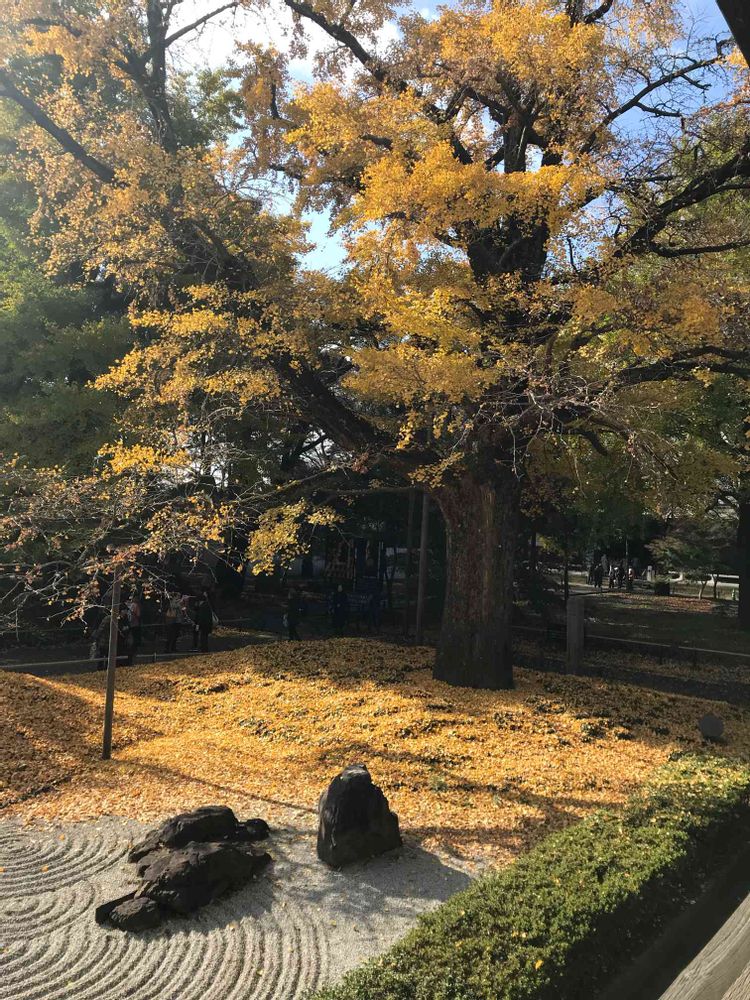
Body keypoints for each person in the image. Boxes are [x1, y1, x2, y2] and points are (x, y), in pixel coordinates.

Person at [126, 594, 142, 665]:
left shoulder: (129, 605)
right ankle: (134, 650)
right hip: (135, 623)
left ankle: (130, 650)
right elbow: (138, 615)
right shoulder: (135, 605)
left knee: (130, 637)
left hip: (129, 624)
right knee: (135, 637)